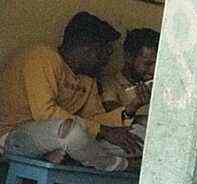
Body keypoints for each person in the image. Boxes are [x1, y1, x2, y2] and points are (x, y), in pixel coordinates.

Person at [0, 12, 143, 171]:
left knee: (141, 134)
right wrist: (102, 131)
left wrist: (130, 109)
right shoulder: (42, 58)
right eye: (105, 52)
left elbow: (94, 119)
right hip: (16, 136)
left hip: (65, 137)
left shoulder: (88, 78)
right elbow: (45, 113)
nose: (107, 60)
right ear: (86, 48)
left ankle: (74, 154)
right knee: (71, 133)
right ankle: (121, 165)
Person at [101, 26, 157, 126]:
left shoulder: (160, 85)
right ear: (129, 57)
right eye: (147, 64)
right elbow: (113, 119)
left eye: (157, 65)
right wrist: (135, 105)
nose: (153, 70)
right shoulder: (109, 85)